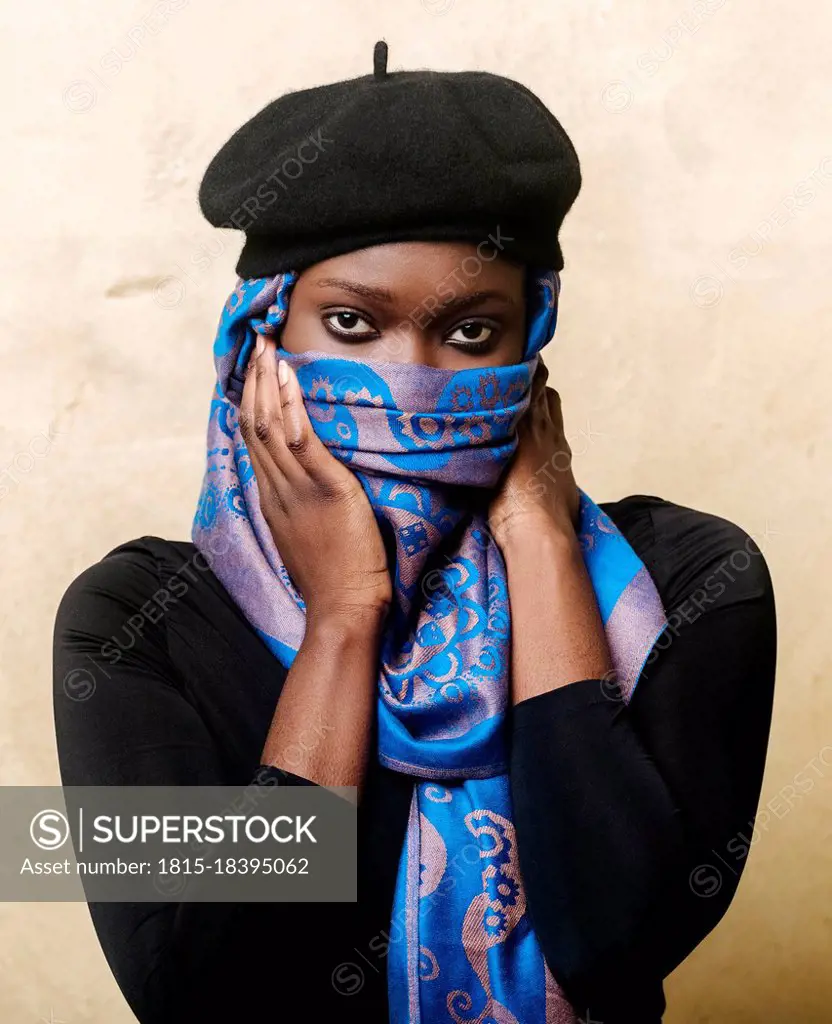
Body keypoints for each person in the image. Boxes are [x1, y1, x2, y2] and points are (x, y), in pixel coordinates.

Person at [52, 42, 776, 1024]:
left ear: (533, 338)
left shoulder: (691, 582)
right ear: (256, 343)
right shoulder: (135, 623)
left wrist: (542, 541)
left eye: (471, 333)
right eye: (351, 326)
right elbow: (198, 998)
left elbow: (616, 940)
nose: (417, 382)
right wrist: (344, 620)